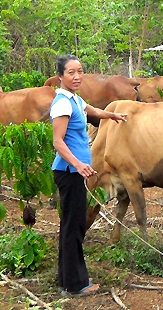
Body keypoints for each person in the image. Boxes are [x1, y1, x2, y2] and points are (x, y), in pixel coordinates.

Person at [50, 54, 127, 297]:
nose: (77, 76)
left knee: (70, 226)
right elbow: (58, 142)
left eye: (80, 71)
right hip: (70, 172)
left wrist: (110, 115)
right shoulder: (62, 103)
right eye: (71, 72)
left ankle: (66, 280)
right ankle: (76, 285)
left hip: (74, 171)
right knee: (74, 228)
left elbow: (89, 110)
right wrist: (78, 165)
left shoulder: (74, 99)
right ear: (60, 76)